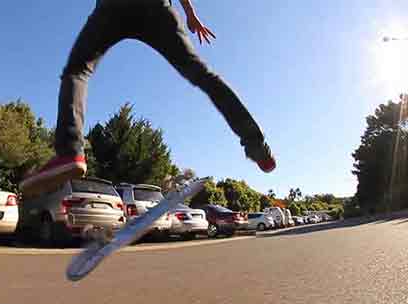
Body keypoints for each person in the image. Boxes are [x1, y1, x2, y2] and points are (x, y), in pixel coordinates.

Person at [19, 0, 276, 194]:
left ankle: (70, 151)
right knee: (201, 73)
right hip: (156, 8)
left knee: (77, 72)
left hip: (113, 8)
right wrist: (189, 13)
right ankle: (256, 145)